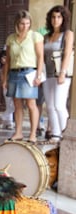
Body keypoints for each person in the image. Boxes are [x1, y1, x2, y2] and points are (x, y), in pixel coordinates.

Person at [2, 10, 44, 144]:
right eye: (22, 23)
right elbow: (8, 60)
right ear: (17, 24)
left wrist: (38, 75)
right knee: (17, 104)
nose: (25, 26)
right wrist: (5, 78)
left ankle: (32, 134)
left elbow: (40, 57)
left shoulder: (35, 36)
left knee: (31, 103)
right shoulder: (11, 38)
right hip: (14, 72)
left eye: (27, 23)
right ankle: (18, 132)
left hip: (29, 72)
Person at [42, 5, 74, 144]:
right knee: (49, 106)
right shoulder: (46, 36)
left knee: (59, 105)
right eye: (53, 17)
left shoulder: (67, 34)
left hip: (61, 74)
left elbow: (67, 54)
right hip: (47, 73)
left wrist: (62, 73)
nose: (56, 20)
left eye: (59, 17)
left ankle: (67, 132)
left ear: (63, 18)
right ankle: (56, 134)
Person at [0, 48, 15, 129]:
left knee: (12, 106)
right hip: (6, 87)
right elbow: (2, 79)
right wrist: (4, 83)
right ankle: (9, 122)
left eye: (5, 57)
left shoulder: (11, 66)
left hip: (12, 86)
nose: (3, 59)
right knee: (10, 106)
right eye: (2, 58)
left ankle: (3, 117)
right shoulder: (2, 68)